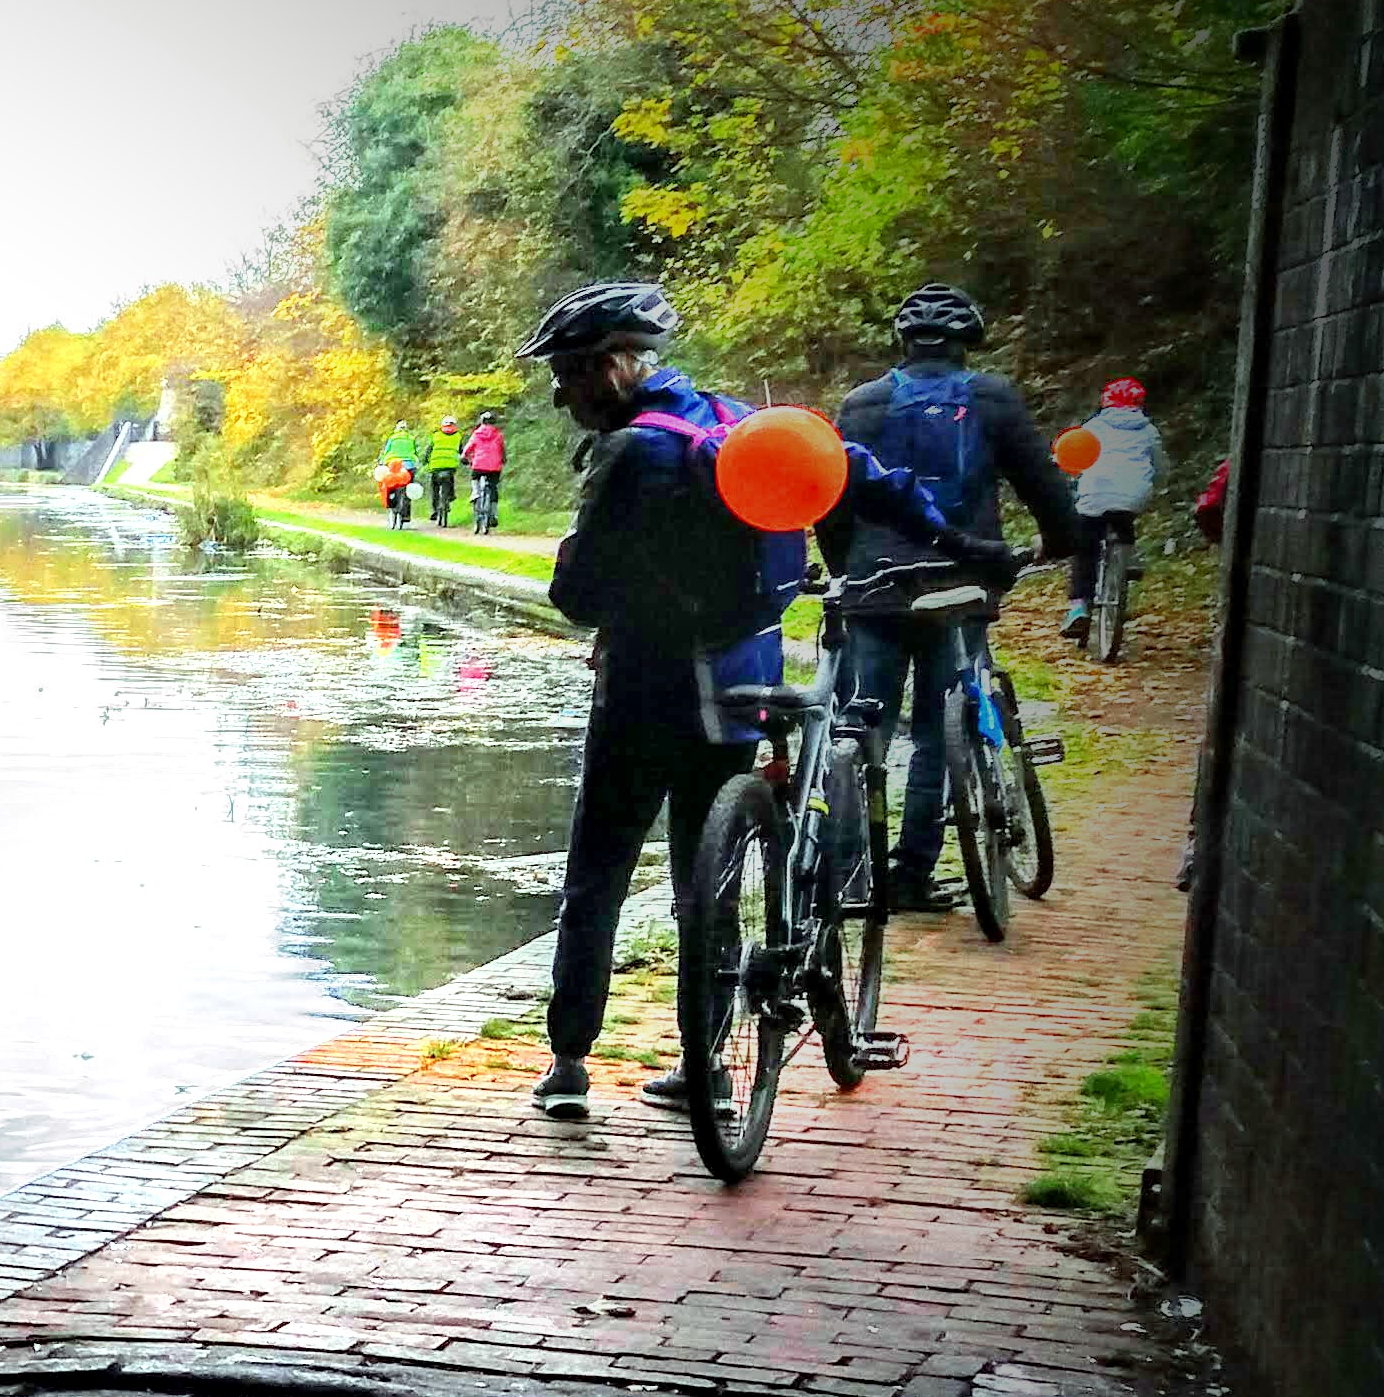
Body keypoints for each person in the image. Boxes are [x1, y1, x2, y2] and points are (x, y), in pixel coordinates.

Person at [521, 280, 1007, 1122]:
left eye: (564, 376)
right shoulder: (735, 422)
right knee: (703, 881)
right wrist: (961, 543)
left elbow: (578, 595)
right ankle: (705, 1071)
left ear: (607, 368)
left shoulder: (631, 452)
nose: (559, 395)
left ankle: (568, 1063)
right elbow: (855, 472)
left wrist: (578, 560)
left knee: (597, 874)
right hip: (738, 685)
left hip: (643, 691)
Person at [818, 284, 1087, 910]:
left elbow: (833, 496)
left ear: (902, 341)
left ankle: (852, 874)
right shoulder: (991, 399)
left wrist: (847, 569)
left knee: (863, 726)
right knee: (940, 730)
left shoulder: (862, 403)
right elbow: (1043, 485)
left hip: (874, 586)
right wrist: (1057, 543)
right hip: (958, 582)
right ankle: (912, 872)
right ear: (969, 342)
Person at [1061, 377, 1167, 640]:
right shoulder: (1148, 430)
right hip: (1132, 494)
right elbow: (1161, 466)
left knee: (1084, 549)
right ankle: (1128, 556)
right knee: (1123, 518)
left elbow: (1075, 457)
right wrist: (1156, 482)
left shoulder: (1093, 426)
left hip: (1095, 493)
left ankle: (1078, 608)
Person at [466, 410, 509, 532]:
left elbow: (468, 449)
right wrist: (503, 460)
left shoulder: (476, 434)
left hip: (478, 465)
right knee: (493, 487)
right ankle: (494, 513)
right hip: (494, 467)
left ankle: (475, 493)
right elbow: (502, 450)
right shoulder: (498, 435)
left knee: (474, 478)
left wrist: (464, 457)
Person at [427, 416, 466, 526]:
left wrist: (426, 460)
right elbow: (461, 451)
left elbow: (429, 450)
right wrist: (465, 460)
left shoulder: (436, 435)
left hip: (436, 465)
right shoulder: (458, 436)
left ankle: (435, 510)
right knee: (450, 481)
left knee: (434, 488)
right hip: (450, 466)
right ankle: (450, 497)